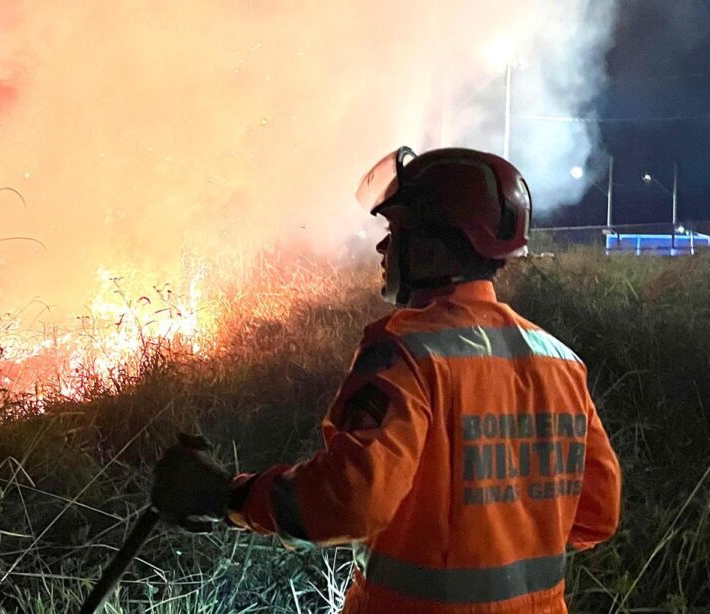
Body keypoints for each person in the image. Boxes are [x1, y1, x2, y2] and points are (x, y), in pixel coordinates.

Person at [151, 146, 622, 613]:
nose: (383, 247)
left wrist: (229, 496)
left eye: (396, 232)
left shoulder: (407, 351)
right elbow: (598, 513)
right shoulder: (561, 362)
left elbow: (351, 498)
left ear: (434, 246)